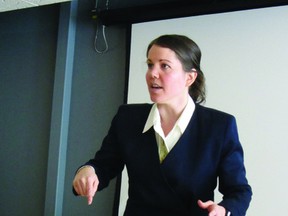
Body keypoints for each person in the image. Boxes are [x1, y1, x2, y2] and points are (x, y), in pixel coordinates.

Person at [73, 34, 252, 216]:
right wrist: (88, 171)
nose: (152, 73)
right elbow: (103, 165)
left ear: (189, 78)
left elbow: (239, 191)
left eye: (164, 66)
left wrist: (224, 210)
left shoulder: (219, 126)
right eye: (150, 64)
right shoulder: (128, 118)